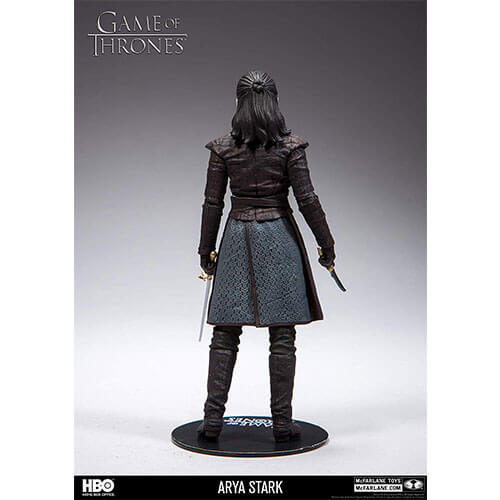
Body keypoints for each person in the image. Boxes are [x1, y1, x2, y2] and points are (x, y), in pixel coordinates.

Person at [197, 70, 336, 442]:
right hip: (279, 237)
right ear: (274, 101)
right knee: (283, 335)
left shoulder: (223, 148)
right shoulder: (290, 147)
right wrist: (327, 244)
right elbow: (307, 200)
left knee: (225, 332)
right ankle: (282, 424)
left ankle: (212, 421)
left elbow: (212, 203)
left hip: (237, 236)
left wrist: (205, 250)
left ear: (237, 102)